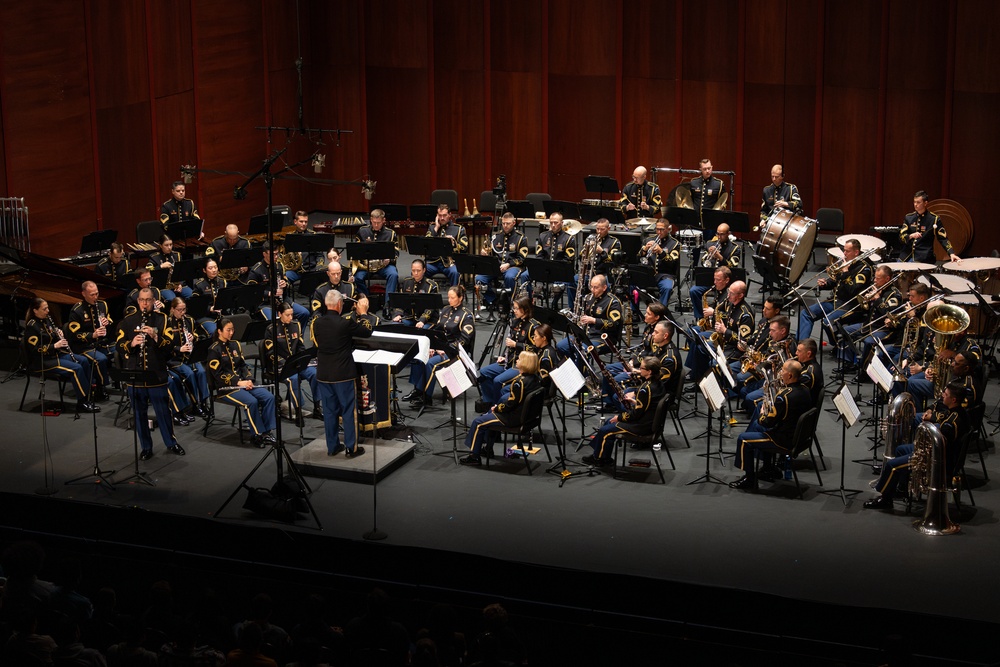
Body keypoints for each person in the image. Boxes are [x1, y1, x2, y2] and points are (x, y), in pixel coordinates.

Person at [863, 381, 969, 511]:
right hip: (937, 453)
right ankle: (902, 488)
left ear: (953, 399)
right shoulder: (955, 412)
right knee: (900, 450)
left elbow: (939, 445)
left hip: (937, 461)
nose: (942, 395)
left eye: (945, 394)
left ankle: (885, 499)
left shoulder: (952, 423)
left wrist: (921, 441)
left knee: (893, 466)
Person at [116, 288, 185, 458]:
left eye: (148, 300)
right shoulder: (128, 321)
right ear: (138, 301)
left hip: (156, 374)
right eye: (142, 300)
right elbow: (119, 344)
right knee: (139, 414)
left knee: (163, 412)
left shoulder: (163, 319)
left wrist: (155, 337)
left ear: (154, 301)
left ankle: (171, 442)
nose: (145, 303)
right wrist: (131, 344)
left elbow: (170, 345)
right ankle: (146, 447)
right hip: (136, 375)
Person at [729, 359, 811, 490]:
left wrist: (763, 413)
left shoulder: (784, 397)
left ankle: (750, 479)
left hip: (783, 440)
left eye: (783, 371)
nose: (780, 373)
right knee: (756, 426)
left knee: (743, 438)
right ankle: (768, 468)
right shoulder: (805, 390)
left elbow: (767, 422)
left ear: (789, 375)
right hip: (800, 436)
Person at [312, 290, 373, 457]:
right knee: (348, 410)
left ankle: (332, 447)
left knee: (330, 411)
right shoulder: (344, 323)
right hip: (343, 374)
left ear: (326, 304)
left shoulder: (317, 323)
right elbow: (367, 331)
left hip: (324, 374)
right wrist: (363, 314)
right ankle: (351, 447)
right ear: (339, 305)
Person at [461, 351, 542, 466]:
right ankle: (488, 449)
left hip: (512, 418)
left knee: (478, 422)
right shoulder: (535, 379)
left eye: (519, 359)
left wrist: (497, 408)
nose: (517, 361)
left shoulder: (520, 383)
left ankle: (474, 456)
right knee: (487, 415)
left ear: (525, 364)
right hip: (529, 418)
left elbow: (510, 405)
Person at [584, 356, 666, 467]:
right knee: (608, 422)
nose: (639, 370)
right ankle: (600, 455)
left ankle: (599, 459)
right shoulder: (658, 383)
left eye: (641, 368)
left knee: (605, 430)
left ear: (649, 371)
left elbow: (636, 414)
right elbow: (650, 404)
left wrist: (619, 417)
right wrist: (634, 401)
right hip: (650, 420)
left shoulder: (645, 389)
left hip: (642, 426)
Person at [206, 318, 276, 447]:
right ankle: (257, 435)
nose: (231, 332)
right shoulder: (214, 350)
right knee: (251, 402)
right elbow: (218, 375)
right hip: (226, 388)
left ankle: (266, 431)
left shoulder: (236, 345)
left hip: (242, 383)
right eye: (228, 330)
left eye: (232, 329)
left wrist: (248, 379)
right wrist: (238, 382)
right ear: (220, 331)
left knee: (269, 397)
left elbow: (243, 366)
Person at [24, 298, 99, 413]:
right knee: (76, 369)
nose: (48, 311)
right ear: (35, 310)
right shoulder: (32, 326)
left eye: (47, 308)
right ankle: (82, 402)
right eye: (44, 309)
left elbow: (51, 337)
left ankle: (89, 394)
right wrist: (55, 345)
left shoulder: (46, 320)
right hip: (42, 361)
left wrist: (59, 334)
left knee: (83, 360)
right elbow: (35, 349)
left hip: (56, 355)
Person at [405, 285, 475, 407]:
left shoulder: (466, 316)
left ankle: (426, 397)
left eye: (452, 298)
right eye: (448, 297)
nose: (449, 300)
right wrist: (431, 346)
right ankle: (417, 390)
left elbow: (464, 340)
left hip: (454, 352)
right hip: (441, 347)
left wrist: (445, 349)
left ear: (461, 298)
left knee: (432, 364)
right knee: (419, 356)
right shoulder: (446, 310)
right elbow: (437, 331)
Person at [798, 238, 873, 342]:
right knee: (806, 313)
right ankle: (801, 345)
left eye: (847, 251)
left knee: (827, 322)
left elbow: (852, 290)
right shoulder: (847, 262)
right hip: (835, 302)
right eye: (844, 250)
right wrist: (825, 283)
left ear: (856, 252)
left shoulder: (864, 269)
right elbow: (835, 281)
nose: (844, 253)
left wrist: (845, 272)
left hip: (850, 306)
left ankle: (838, 346)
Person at [263, 302, 318, 425]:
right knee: (293, 379)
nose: (290, 318)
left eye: (292, 315)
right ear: (279, 314)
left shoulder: (296, 325)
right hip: (280, 366)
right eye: (287, 315)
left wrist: (303, 359)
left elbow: (300, 347)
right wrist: (286, 363)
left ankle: (317, 407)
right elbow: (271, 353)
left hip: (296, 363)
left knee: (314, 374)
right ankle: (298, 413)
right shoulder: (271, 329)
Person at [479, 295, 538, 407]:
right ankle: (489, 401)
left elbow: (535, 349)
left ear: (525, 309)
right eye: (513, 308)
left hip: (521, 365)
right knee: (484, 372)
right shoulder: (514, 322)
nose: (514, 311)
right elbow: (509, 345)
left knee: (498, 381)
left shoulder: (533, 326)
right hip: (509, 360)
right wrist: (503, 356)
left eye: (516, 308)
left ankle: (497, 407)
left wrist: (517, 345)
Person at [841, 264, 903, 369]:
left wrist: (878, 299)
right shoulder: (877, 288)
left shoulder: (894, 295)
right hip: (868, 325)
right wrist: (867, 302)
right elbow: (868, 310)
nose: (874, 280)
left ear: (887, 279)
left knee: (869, 342)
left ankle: (864, 370)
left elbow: (889, 314)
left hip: (883, 329)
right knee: (845, 331)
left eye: (878, 278)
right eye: (875, 277)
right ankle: (849, 362)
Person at [555, 274, 624, 360]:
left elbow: (614, 324)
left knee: (582, 352)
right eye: (591, 287)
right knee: (561, 346)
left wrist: (594, 320)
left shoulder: (613, 302)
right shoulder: (589, 297)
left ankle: (583, 371)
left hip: (603, 338)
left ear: (604, 287)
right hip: (586, 334)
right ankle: (576, 368)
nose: (592, 290)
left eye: (596, 288)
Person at [65, 280, 113, 401]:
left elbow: (109, 319)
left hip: (101, 342)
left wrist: (108, 322)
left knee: (120, 350)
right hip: (83, 346)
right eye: (92, 295)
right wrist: (92, 335)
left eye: (96, 293)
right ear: (84, 294)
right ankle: (100, 387)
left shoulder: (102, 305)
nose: (95, 297)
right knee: (100, 359)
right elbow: (74, 335)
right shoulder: (77, 310)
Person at [684, 266, 733, 381]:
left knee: (698, 339)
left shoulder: (730, 295)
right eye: (714, 279)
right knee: (691, 332)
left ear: (727, 280)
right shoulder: (718, 291)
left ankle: (697, 372)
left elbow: (730, 315)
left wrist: (713, 312)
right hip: (714, 326)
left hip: (721, 332)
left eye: (718, 280)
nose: (714, 282)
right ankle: (695, 367)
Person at [165, 296, 210, 419]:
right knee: (189, 374)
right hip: (173, 358)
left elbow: (196, 334)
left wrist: (193, 337)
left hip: (189, 355)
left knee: (201, 371)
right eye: (179, 310)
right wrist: (179, 349)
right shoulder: (167, 323)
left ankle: (204, 402)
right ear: (172, 309)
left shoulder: (189, 319)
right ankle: (195, 405)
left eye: (184, 309)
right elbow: (165, 344)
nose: (182, 313)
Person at [247, 241, 311, 326]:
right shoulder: (256, 271)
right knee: (276, 321)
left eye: (277, 254)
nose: (276, 257)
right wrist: (269, 293)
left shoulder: (279, 266)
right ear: (264, 254)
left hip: (282, 301)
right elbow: (251, 291)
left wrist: (285, 284)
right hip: (265, 304)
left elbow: (285, 280)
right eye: (272, 254)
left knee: (304, 313)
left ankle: (298, 339)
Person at [475, 212, 528, 307]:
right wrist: (485, 253)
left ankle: (509, 302)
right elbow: (492, 253)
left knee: (509, 277)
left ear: (513, 223)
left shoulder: (521, 238)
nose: (505, 226)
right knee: (479, 279)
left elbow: (522, 259)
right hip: (497, 266)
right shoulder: (496, 236)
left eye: (508, 223)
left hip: (514, 266)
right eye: (503, 223)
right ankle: (495, 300)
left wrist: (509, 264)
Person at [353, 208, 400, 310]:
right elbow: (355, 250)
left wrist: (390, 259)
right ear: (371, 219)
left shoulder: (391, 234)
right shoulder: (362, 231)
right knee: (357, 278)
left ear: (384, 221)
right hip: (366, 266)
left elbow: (396, 252)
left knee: (393, 275)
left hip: (384, 266)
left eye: (379, 223)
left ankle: (388, 305)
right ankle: (366, 302)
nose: (376, 225)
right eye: (374, 222)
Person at [899, 190, 961, 263]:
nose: (915, 204)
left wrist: (951, 253)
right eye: (914, 202)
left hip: (924, 257)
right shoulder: (909, 217)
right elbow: (901, 237)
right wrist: (910, 236)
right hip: (906, 256)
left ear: (925, 203)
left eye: (918, 202)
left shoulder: (934, 219)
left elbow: (943, 238)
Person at [534, 211, 578, 307]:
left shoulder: (569, 239)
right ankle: (530, 305)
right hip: (545, 268)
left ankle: (555, 304)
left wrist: (554, 268)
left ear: (561, 223)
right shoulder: (543, 236)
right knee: (525, 275)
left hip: (560, 270)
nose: (553, 225)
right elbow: (539, 255)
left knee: (564, 280)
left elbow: (568, 260)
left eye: (556, 222)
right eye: (551, 222)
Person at [637, 219, 680, 307]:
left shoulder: (675, 244)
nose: (659, 232)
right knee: (632, 283)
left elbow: (672, 263)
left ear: (668, 229)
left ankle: (661, 311)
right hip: (648, 273)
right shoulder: (648, 240)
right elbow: (638, 258)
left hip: (665, 274)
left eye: (662, 229)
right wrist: (644, 250)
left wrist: (661, 252)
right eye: (657, 229)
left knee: (667, 287)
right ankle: (634, 312)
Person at [425, 203, 467, 286]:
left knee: (455, 272)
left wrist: (453, 243)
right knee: (418, 269)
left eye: (444, 215)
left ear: (449, 215)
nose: (442, 218)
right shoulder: (432, 227)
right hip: (433, 262)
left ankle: (454, 297)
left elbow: (464, 248)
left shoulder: (458, 229)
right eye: (440, 216)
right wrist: (436, 228)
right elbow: (426, 243)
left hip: (450, 264)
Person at [391, 258, 439, 327]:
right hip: (410, 317)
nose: (415, 273)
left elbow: (431, 307)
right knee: (395, 325)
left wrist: (422, 320)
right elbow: (400, 302)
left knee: (420, 331)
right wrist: (398, 314)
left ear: (424, 270)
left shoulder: (431, 285)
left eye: (418, 271)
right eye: (413, 270)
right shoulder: (407, 282)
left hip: (428, 320)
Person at [145, 234, 192, 301]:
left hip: (177, 285)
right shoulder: (154, 257)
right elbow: (148, 271)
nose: (169, 247)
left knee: (191, 295)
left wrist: (180, 284)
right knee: (172, 299)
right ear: (161, 245)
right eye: (166, 245)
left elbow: (182, 273)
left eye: (171, 244)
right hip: (164, 287)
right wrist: (161, 266)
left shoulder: (177, 255)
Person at [282, 210, 323, 284]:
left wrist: (318, 268)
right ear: (295, 221)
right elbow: (284, 255)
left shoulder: (313, 236)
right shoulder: (290, 237)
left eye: (306, 222)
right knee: (283, 279)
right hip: (295, 272)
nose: (304, 224)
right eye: (301, 221)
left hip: (311, 271)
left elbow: (320, 256)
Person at [191, 257, 226, 335]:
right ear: (204, 270)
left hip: (222, 314)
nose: (214, 270)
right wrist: (210, 309)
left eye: (215, 267)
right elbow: (196, 305)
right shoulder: (199, 285)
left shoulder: (222, 281)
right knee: (215, 331)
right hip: (205, 316)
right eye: (210, 268)